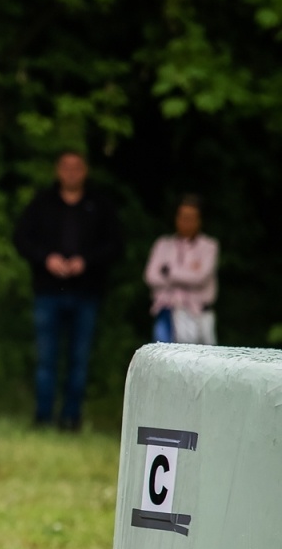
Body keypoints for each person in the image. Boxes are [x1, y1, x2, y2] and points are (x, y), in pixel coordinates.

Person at [13, 150, 123, 431]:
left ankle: (71, 419)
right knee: (46, 358)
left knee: (79, 359)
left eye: (77, 168)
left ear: (85, 171)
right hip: (48, 291)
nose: (72, 173)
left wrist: (85, 261)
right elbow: (21, 238)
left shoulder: (98, 205)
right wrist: (46, 258)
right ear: (58, 170)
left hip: (86, 292)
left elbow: (115, 244)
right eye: (66, 167)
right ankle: (43, 417)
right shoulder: (43, 203)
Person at [144, 195, 218, 344]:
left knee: (201, 362)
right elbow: (150, 276)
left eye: (191, 217)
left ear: (200, 220)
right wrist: (187, 274)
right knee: (165, 359)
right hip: (167, 312)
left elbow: (200, 278)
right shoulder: (163, 244)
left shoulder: (209, 246)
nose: (186, 222)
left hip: (199, 314)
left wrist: (168, 271)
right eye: (182, 217)